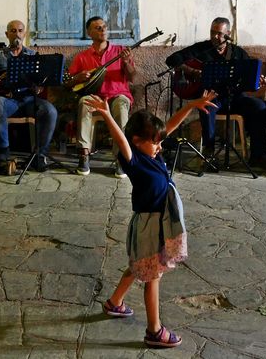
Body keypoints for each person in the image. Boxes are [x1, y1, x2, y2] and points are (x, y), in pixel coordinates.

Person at [85, 90, 217, 349]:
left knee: (139, 264)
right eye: (154, 142)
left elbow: (170, 126)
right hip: (148, 224)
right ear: (137, 141)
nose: (159, 147)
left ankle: (114, 303)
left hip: (160, 220)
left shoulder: (152, 151)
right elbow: (121, 139)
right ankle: (154, 331)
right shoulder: (133, 160)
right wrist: (107, 115)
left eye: (159, 142)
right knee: (152, 274)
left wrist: (191, 104)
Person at [165, 17, 266, 167]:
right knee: (207, 106)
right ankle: (209, 152)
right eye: (212, 32)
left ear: (228, 34)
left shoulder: (238, 53)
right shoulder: (202, 48)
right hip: (212, 97)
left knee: (259, 107)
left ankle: (258, 155)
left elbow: (248, 83)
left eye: (219, 34)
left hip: (235, 98)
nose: (215, 37)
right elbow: (172, 59)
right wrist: (191, 71)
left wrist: (257, 83)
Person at [0, 20, 58, 171]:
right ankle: (3, 151)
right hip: (9, 102)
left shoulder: (33, 56)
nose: (17, 34)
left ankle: (40, 155)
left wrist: (39, 87)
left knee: (50, 111)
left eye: (20, 30)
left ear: (24, 33)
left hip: (28, 100)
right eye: (13, 31)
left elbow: (39, 82)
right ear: (7, 34)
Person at [67, 16, 136, 177]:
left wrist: (126, 63)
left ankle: (121, 157)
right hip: (96, 97)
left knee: (120, 105)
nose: (103, 29)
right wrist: (78, 78)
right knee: (84, 102)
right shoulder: (82, 57)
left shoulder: (120, 51)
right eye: (97, 27)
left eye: (104, 26)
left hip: (118, 95)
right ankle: (84, 154)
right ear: (89, 33)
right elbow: (68, 83)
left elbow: (133, 79)